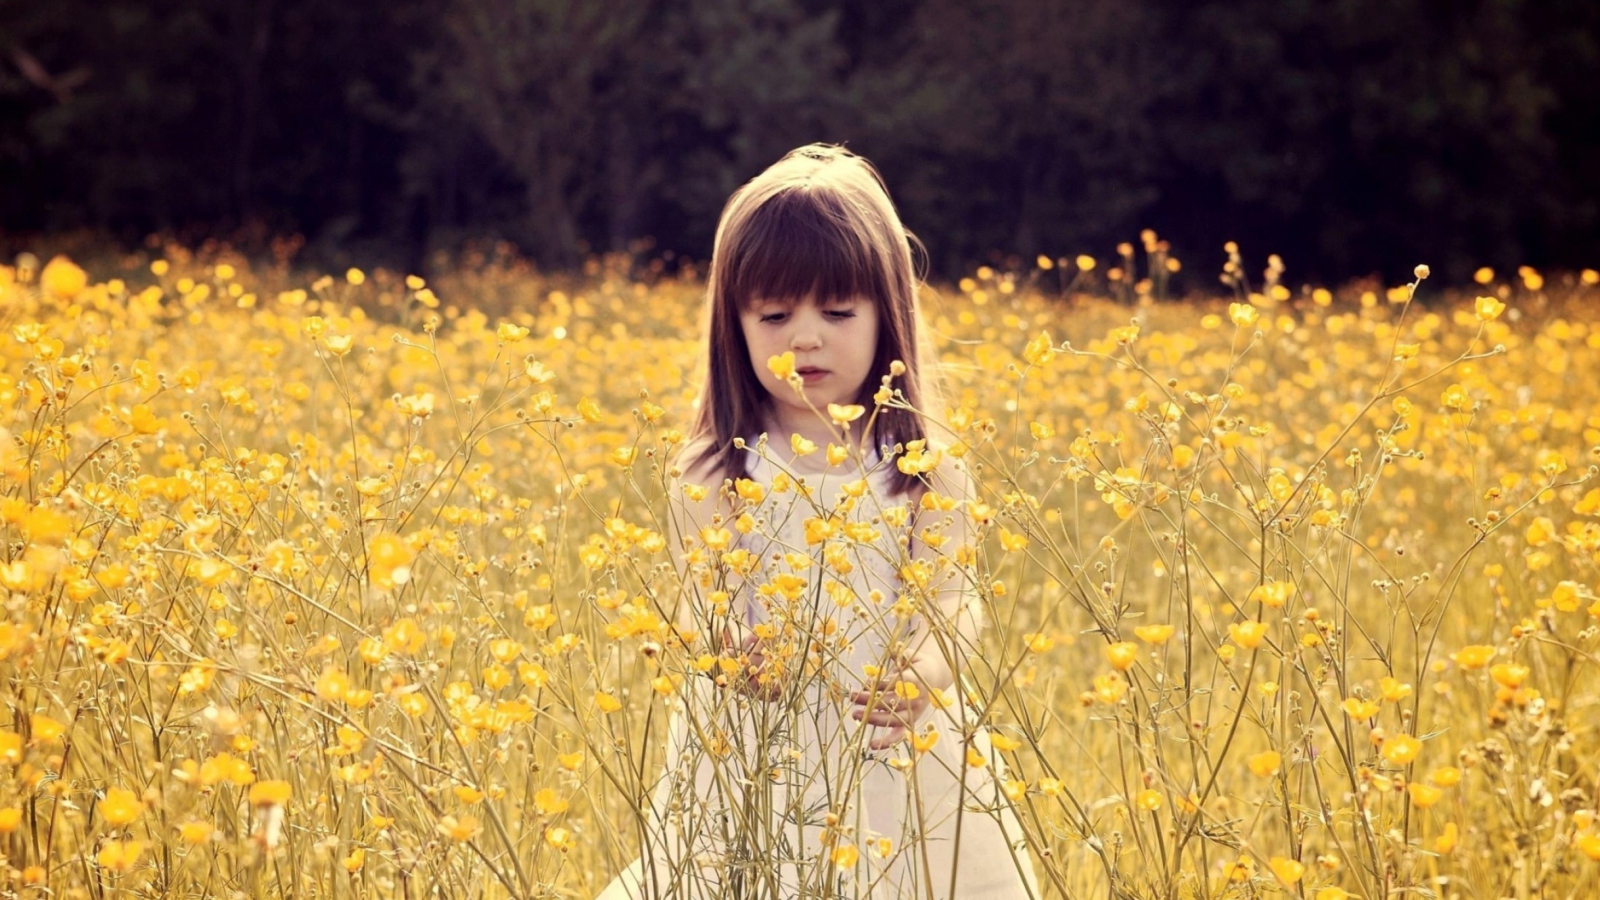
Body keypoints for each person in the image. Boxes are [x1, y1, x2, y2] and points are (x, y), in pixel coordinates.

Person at [593, 144, 1040, 900]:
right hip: (755, 754)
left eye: (837, 312)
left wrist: (924, 675)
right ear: (733, 325)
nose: (805, 338)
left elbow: (955, 604)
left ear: (886, 314)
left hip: (900, 746)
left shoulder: (926, 464)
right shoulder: (717, 470)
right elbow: (704, 605)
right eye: (774, 315)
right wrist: (732, 648)